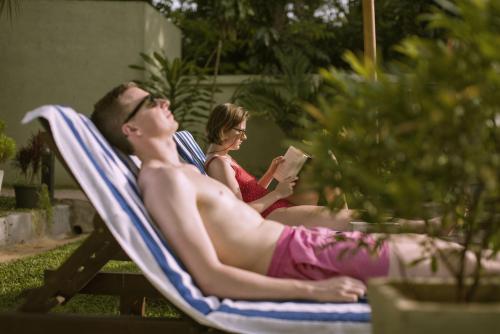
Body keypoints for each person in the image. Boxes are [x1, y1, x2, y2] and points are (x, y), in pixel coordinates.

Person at [90, 82, 500, 303]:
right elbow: (210, 277)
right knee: (457, 264)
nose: (161, 99)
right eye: (146, 100)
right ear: (131, 129)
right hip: (299, 260)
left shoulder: (180, 170)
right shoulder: (162, 180)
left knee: (430, 248)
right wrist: (313, 290)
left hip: (305, 245)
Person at [205, 103, 352, 230]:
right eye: (240, 131)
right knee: (345, 217)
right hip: (271, 214)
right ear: (223, 130)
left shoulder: (224, 158)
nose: (244, 137)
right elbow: (241, 212)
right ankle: (345, 217)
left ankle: (342, 213)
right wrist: (277, 193)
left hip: (274, 206)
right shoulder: (219, 164)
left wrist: (271, 171)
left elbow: (250, 194)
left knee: (324, 158)